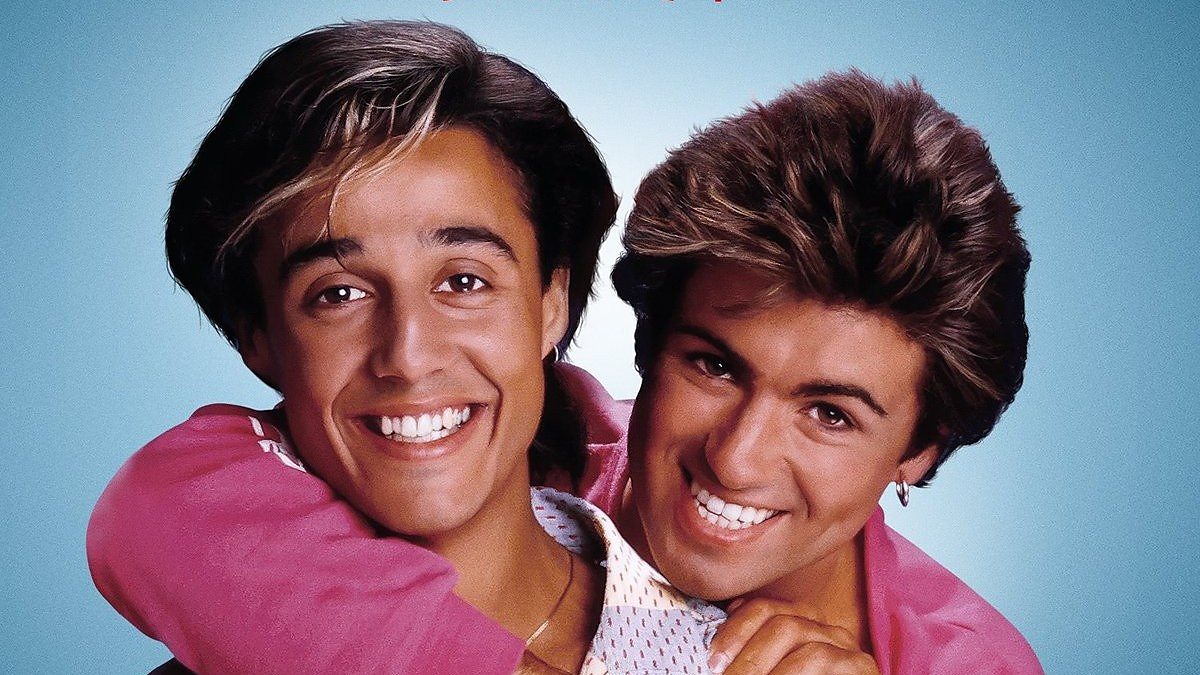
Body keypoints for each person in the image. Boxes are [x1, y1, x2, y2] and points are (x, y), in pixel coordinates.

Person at [91, 68, 1042, 673]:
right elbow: (162, 509)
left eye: (830, 413)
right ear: (648, 345)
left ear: (919, 448)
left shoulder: (964, 661)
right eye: (714, 365)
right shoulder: (541, 442)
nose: (736, 457)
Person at [89, 19, 727, 675]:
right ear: (260, 338)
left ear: (550, 303)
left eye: (464, 281)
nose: (408, 356)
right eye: (338, 294)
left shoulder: (728, 651)